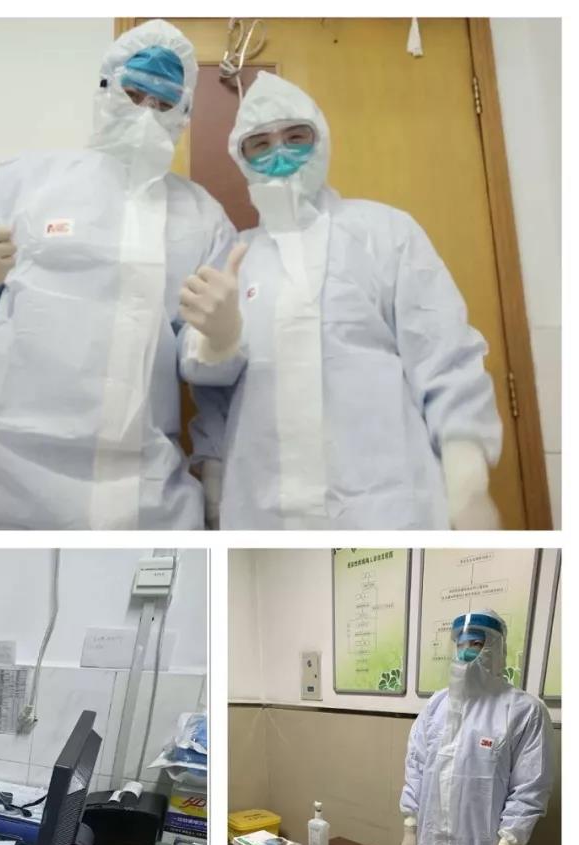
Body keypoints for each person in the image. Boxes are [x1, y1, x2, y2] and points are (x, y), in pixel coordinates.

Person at [0, 20, 239, 529]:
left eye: (164, 103)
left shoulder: (202, 218)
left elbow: (204, 368)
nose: (146, 113)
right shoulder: (24, 183)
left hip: (140, 491)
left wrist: (221, 339)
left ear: (184, 113)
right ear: (105, 88)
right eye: (134, 93)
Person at [182, 72, 503, 529]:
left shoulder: (384, 233)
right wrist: (214, 480)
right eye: (261, 143)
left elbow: (443, 352)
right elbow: (213, 395)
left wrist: (467, 478)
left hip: (385, 504)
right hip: (264, 509)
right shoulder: (238, 257)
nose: (280, 153)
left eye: (296, 137)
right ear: (242, 156)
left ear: (322, 139)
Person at [399, 610, 552, 845]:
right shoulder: (437, 706)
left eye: (476, 644)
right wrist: (410, 824)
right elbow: (416, 767)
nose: (466, 651)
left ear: (495, 648)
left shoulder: (523, 710)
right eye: (461, 644)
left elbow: (530, 789)